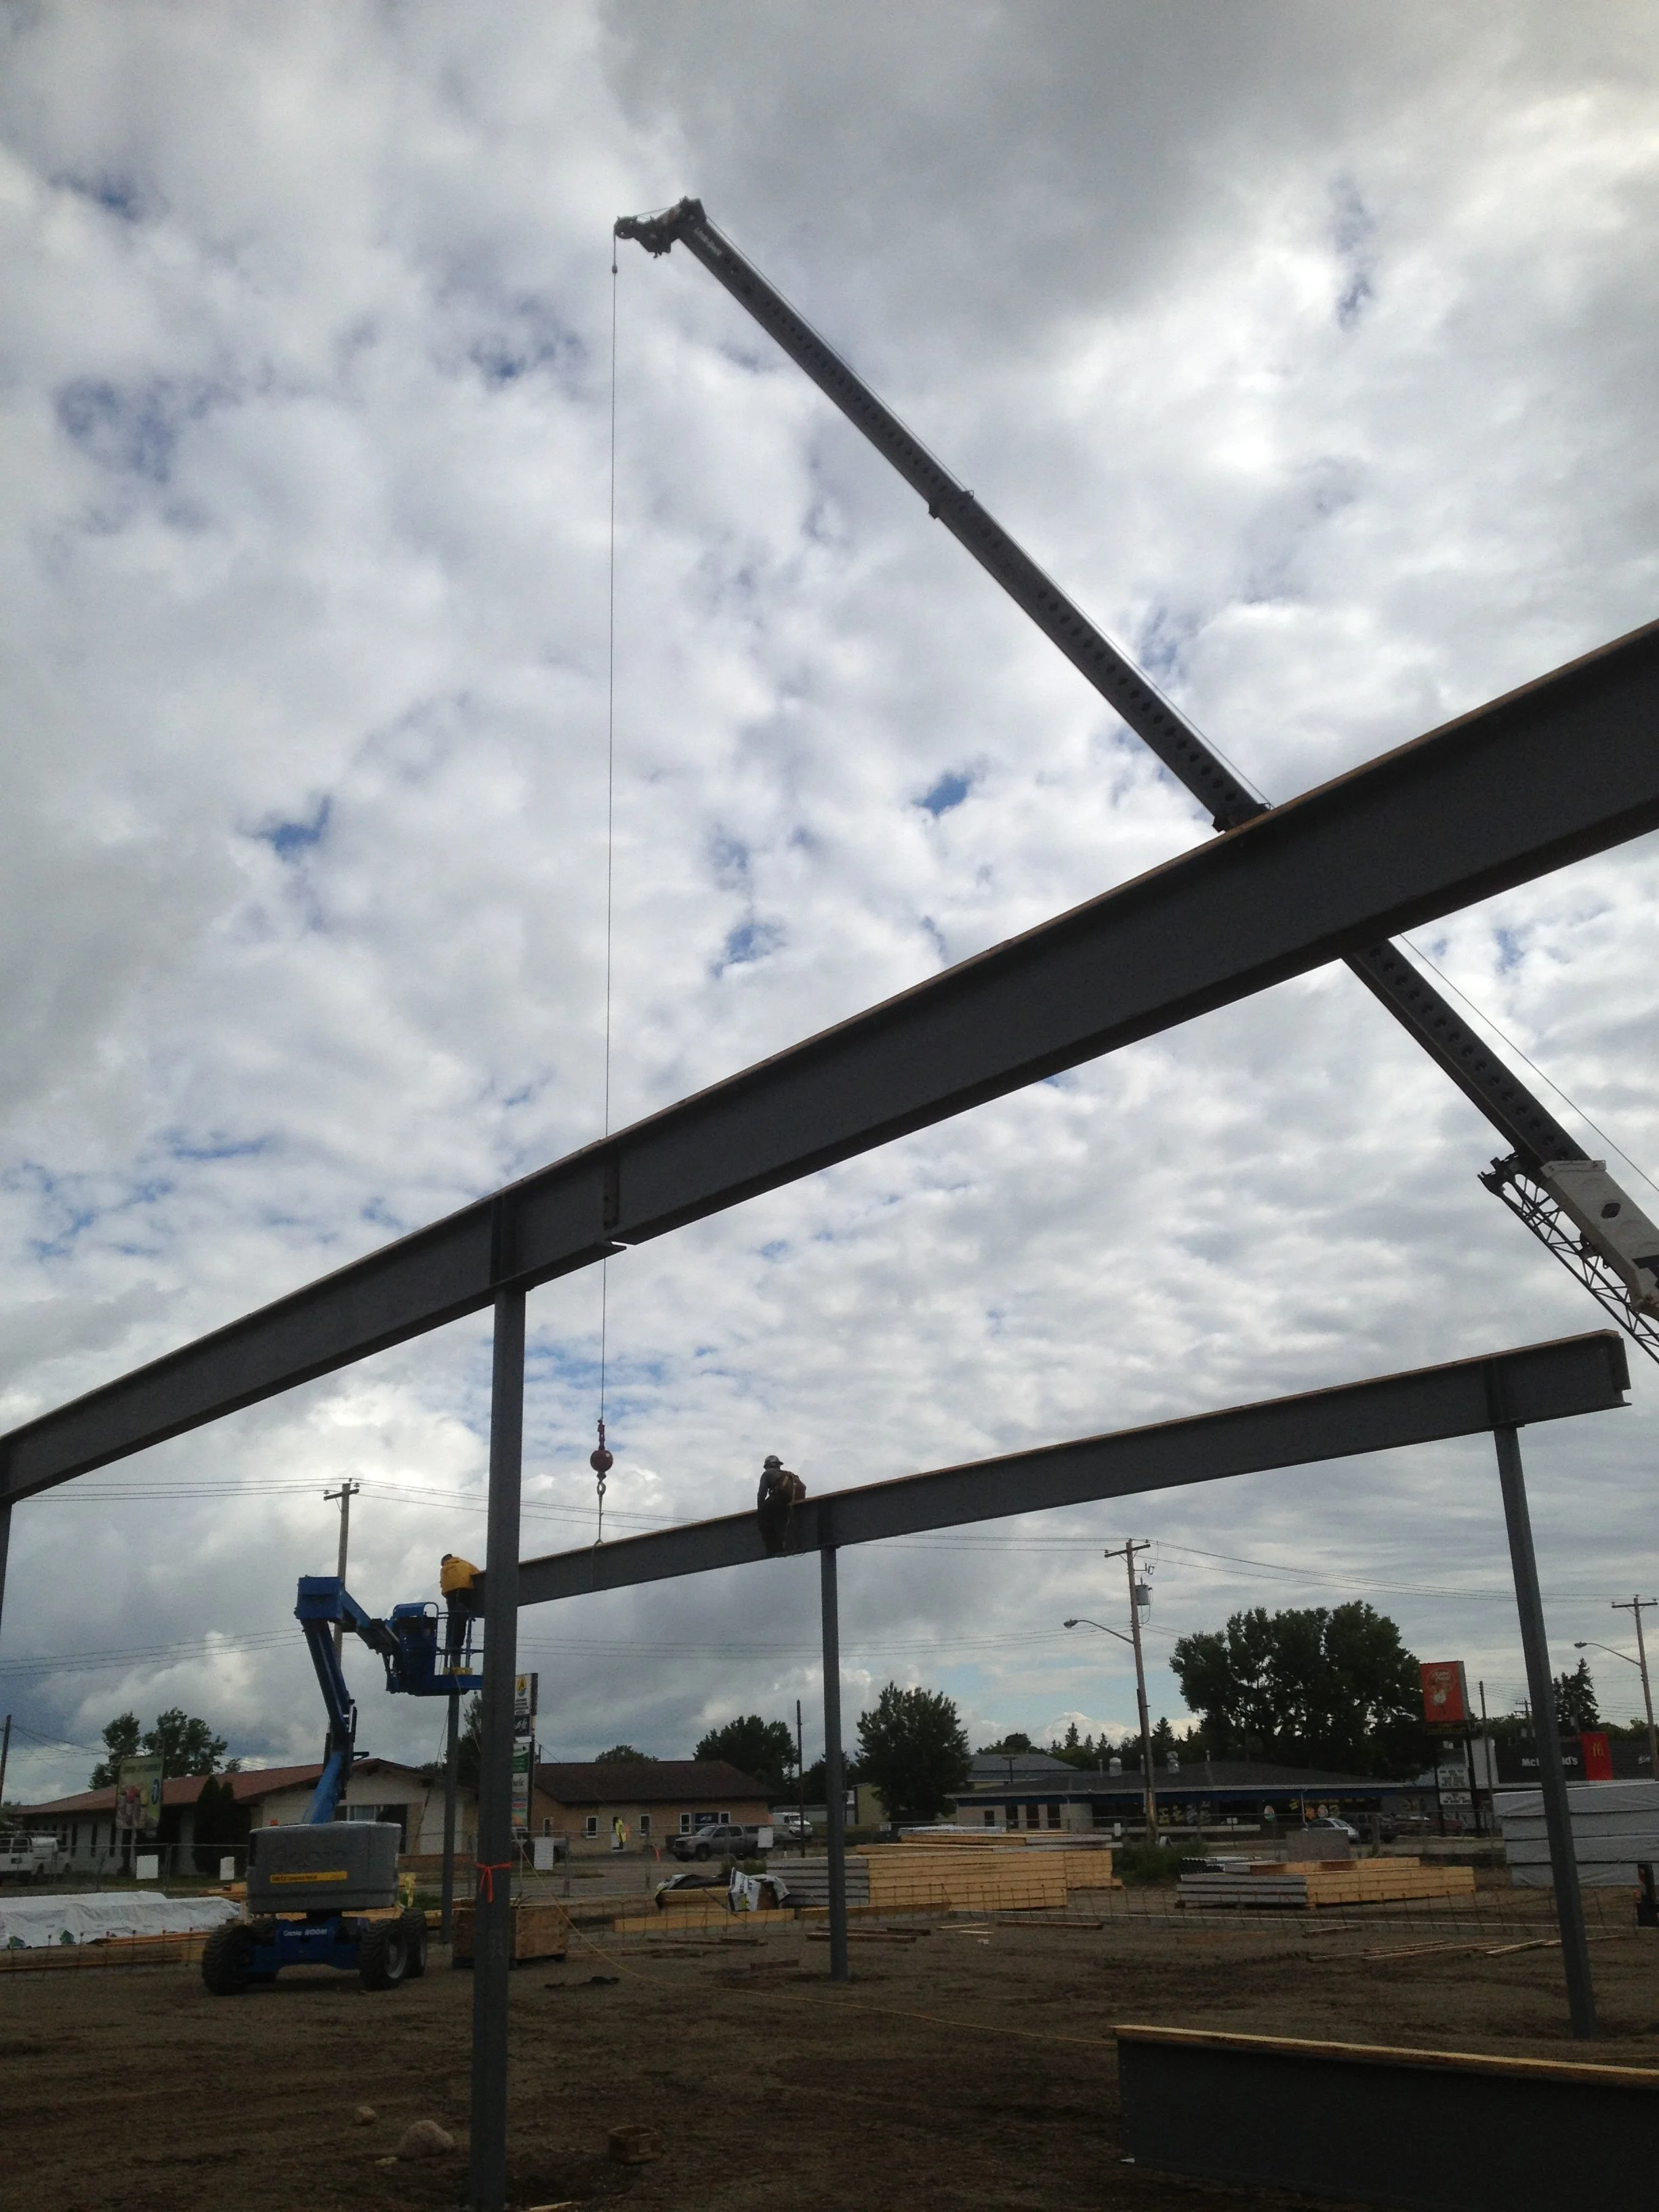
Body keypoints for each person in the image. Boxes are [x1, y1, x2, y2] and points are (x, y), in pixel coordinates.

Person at [756, 1454, 806, 1557]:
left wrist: (760, 1511)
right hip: (794, 1501)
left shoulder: (767, 1474)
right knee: (780, 1516)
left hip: (782, 1499)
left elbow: (761, 1495)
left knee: (764, 1519)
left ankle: (773, 1548)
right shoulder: (787, 1475)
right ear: (778, 1465)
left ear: (768, 1466)